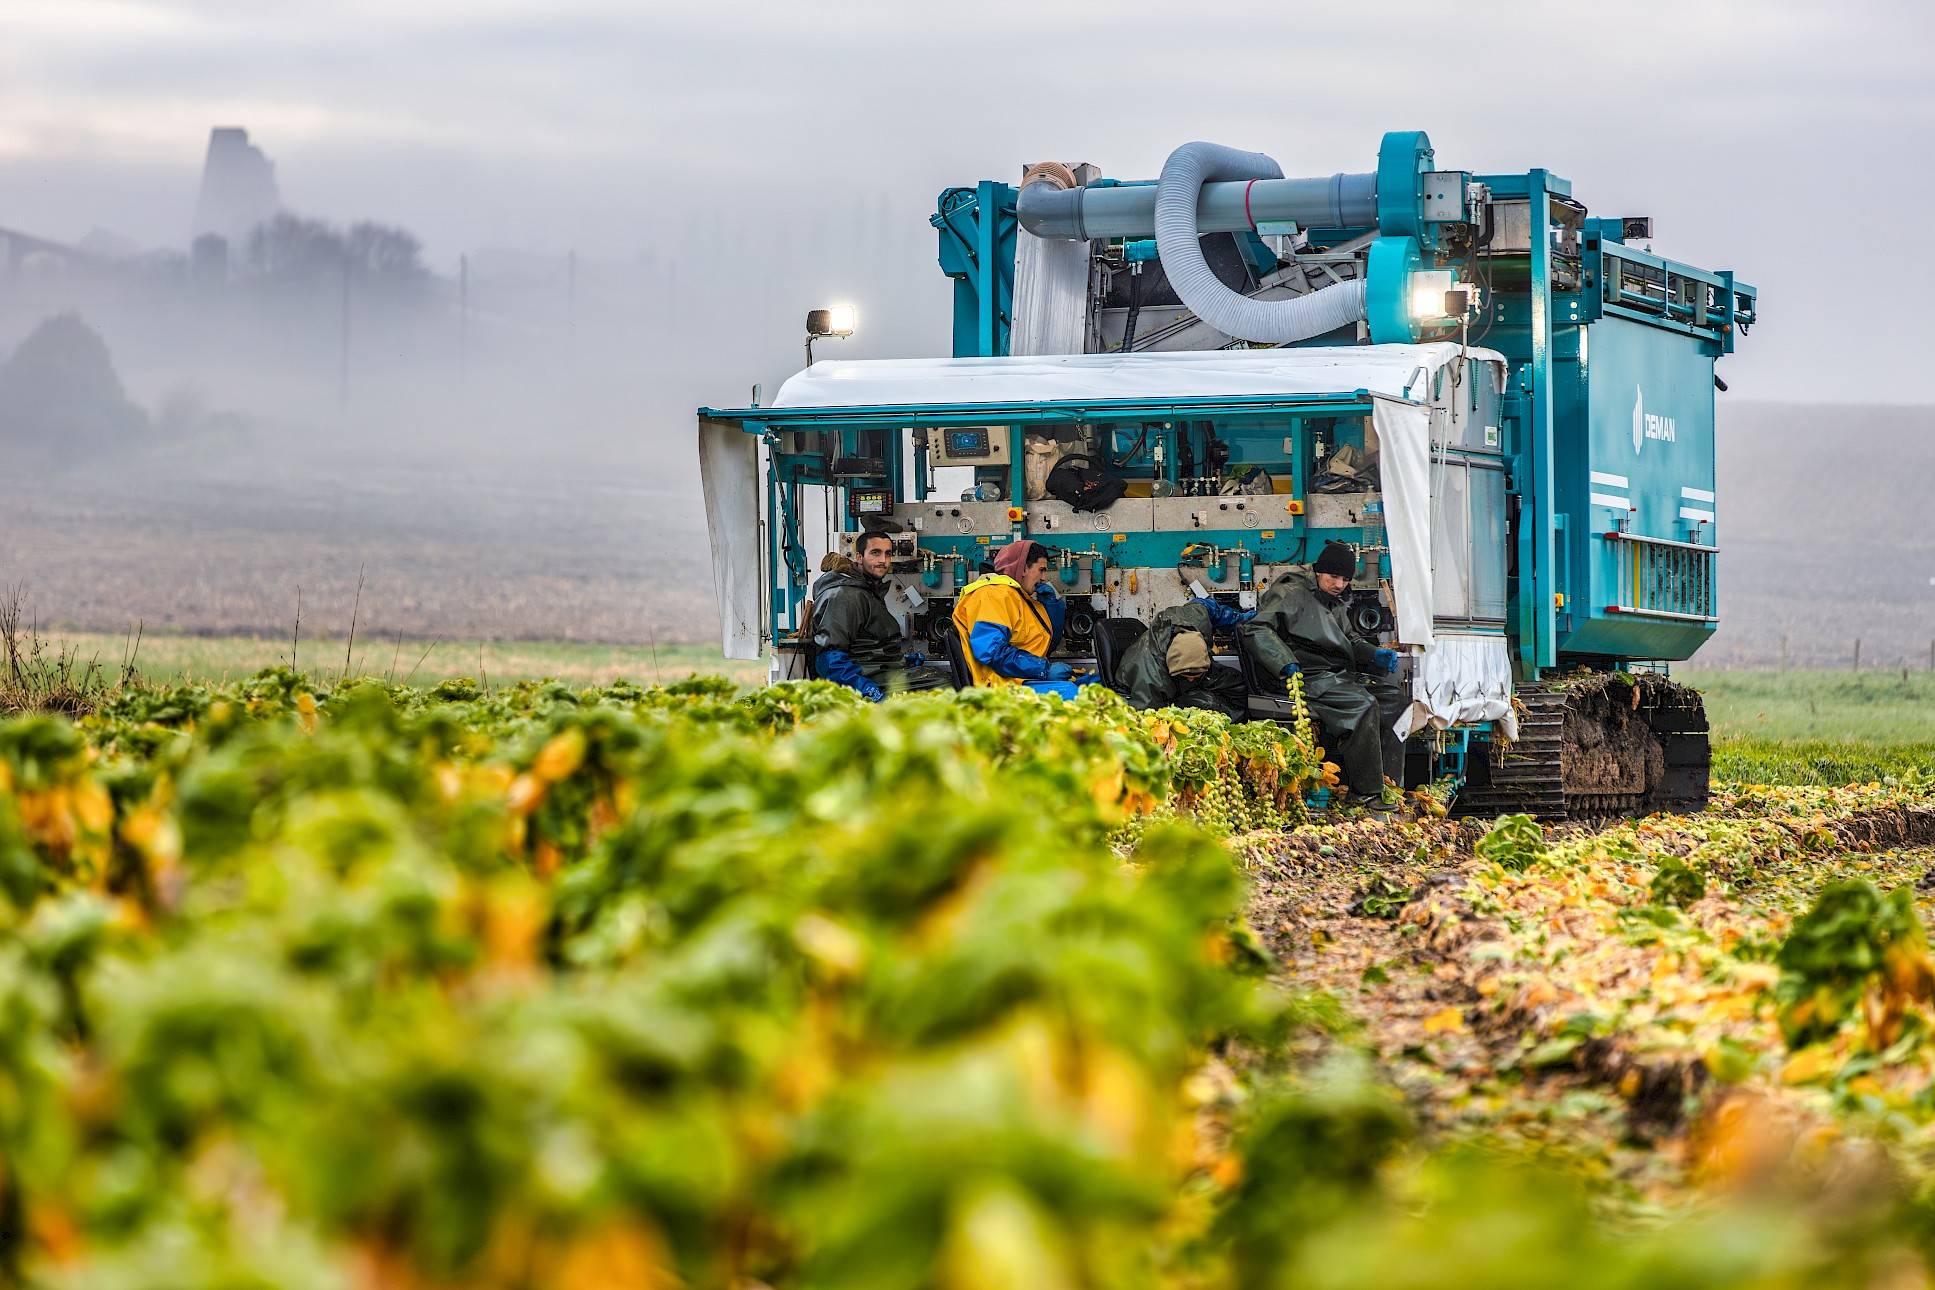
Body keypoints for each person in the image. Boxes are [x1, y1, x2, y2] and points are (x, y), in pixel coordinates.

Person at [1239, 541, 1407, 811]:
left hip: (1335, 675)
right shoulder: (1290, 592)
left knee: (1396, 702)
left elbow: (1348, 639)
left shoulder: (1334, 599)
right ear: (1318, 571)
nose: (1339, 584)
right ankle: (1365, 793)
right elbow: (1256, 629)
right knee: (1362, 706)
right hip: (1304, 675)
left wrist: (1373, 653)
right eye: (1333, 577)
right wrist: (1283, 662)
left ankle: (1389, 785)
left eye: (1345, 579)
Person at [809, 532, 952, 701]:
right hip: (864, 680)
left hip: (877, 673)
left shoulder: (866, 591)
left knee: (942, 678)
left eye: (888, 554)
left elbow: (867, 646)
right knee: (945, 687)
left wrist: (899, 660)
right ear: (859, 557)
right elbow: (829, 659)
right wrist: (867, 690)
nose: (883, 560)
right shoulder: (844, 596)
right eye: (875, 553)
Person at [951, 539, 1085, 699]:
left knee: (1092, 685)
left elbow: (1047, 644)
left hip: (1021, 679)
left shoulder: (1021, 598)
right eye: (1041, 570)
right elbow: (992, 652)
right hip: (999, 686)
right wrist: (1044, 669)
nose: (1044, 578)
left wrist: (1053, 607)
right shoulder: (993, 595)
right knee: (1072, 694)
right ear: (1023, 568)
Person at [1115, 599, 1249, 719]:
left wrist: (1244, 619)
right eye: (1187, 674)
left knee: (1236, 682)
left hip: (1176, 676)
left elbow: (1205, 605)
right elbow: (1146, 716)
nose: (1191, 678)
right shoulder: (1152, 678)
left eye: (1196, 674)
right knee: (1209, 703)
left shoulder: (1197, 619)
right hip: (1143, 691)